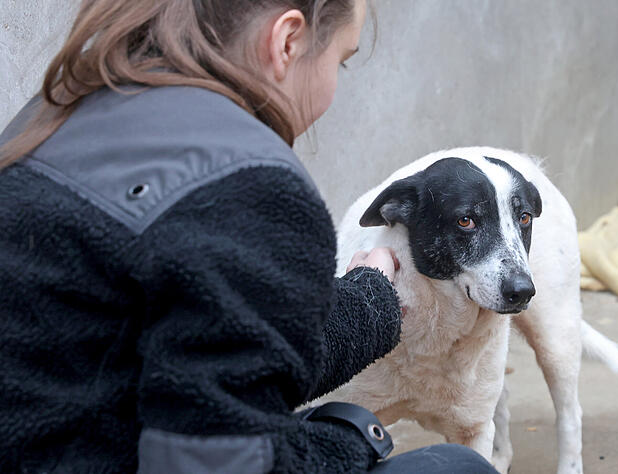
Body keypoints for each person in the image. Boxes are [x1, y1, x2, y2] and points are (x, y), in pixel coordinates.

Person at [0, 0, 499, 472]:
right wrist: (349, 441)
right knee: (456, 466)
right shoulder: (246, 187)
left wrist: (369, 302)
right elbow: (216, 462)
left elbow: (222, 345)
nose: (331, 88)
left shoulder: (48, 116)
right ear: (287, 41)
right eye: (340, 62)